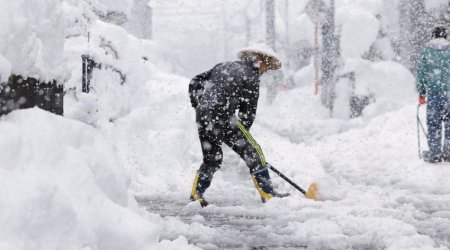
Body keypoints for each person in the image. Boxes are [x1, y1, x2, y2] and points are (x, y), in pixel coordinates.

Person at [188, 44, 288, 207]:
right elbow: (248, 112)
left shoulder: (223, 66)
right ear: (260, 60)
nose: (265, 71)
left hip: (203, 115)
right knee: (254, 152)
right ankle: (268, 194)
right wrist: (241, 139)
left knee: (212, 158)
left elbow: (195, 81)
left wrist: (199, 105)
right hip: (223, 116)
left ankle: (196, 193)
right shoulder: (251, 76)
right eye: (266, 67)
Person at [416, 26, 450, 163]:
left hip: (434, 92)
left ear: (433, 36)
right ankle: (449, 151)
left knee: (433, 123)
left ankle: (435, 154)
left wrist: (422, 92)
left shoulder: (426, 50)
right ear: (445, 36)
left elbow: (421, 72)